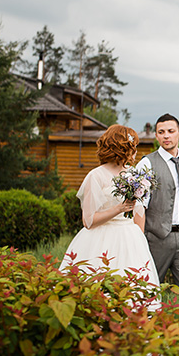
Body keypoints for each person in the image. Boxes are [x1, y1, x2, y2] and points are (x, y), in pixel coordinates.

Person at [60, 125, 161, 293]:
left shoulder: (134, 174)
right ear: (122, 148)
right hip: (100, 238)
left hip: (130, 238)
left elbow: (139, 210)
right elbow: (88, 221)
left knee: (133, 289)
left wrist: (139, 240)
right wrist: (119, 209)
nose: (135, 151)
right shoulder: (96, 176)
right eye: (132, 147)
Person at [136, 114, 179, 331]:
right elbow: (139, 206)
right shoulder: (146, 164)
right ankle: (142, 341)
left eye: (170, 131)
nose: (166, 136)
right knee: (147, 291)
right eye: (161, 132)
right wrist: (138, 241)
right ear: (156, 135)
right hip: (156, 238)